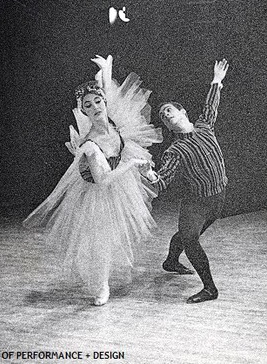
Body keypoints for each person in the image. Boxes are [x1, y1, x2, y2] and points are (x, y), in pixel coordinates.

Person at [23, 55, 162, 306]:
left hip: (120, 183)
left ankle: (103, 281)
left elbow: (117, 103)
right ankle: (101, 286)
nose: (96, 107)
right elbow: (103, 179)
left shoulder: (115, 123)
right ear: (84, 111)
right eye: (89, 105)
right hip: (97, 191)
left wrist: (105, 72)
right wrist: (131, 165)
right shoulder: (89, 144)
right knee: (99, 242)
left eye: (98, 101)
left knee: (114, 236)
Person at [141, 59, 229, 304]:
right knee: (190, 238)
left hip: (218, 198)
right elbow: (161, 183)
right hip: (196, 202)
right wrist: (149, 173)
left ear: (183, 112)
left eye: (169, 110)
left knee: (185, 234)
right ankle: (210, 288)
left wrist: (216, 80)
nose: (165, 115)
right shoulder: (174, 151)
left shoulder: (204, 126)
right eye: (162, 115)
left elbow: (211, 105)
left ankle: (170, 261)